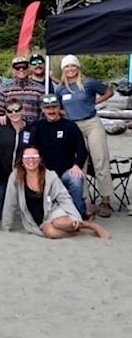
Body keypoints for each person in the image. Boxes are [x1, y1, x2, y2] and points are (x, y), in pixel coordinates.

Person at [2, 147, 109, 239]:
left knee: (60, 223)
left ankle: (90, 225)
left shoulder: (50, 176)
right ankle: (82, 232)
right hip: (36, 220)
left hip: (54, 212)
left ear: (40, 159)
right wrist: (5, 227)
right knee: (50, 232)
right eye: (27, 158)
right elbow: (10, 201)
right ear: (22, 161)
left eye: (34, 157)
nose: (31, 160)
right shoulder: (16, 176)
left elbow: (64, 197)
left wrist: (75, 216)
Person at [56, 54, 115, 218]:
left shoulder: (88, 82)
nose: (70, 69)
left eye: (73, 66)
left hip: (91, 123)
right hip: (74, 126)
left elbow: (109, 91)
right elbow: (58, 108)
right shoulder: (61, 88)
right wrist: (65, 113)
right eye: (67, 67)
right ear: (63, 69)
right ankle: (85, 201)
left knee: (100, 160)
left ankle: (106, 199)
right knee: (79, 164)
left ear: (77, 67)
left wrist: (95, 103)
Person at [27, 94, 92, 218]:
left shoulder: (70, 126)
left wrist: (77, 166)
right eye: (47, 108)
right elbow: (30, 149)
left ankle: (79, 214)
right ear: (42, 109)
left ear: (59, 108)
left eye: (54, 107)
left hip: (66, 171)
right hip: (45, 172)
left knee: (76, 180)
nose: (51, 111)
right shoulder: (36, 127)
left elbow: (82, 150)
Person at [0, 98, 29, 220]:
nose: (14, 113)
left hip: (22, 173)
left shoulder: (31, 129)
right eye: (10, 111)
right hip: (2, 173)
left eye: (17, 109)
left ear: (23, 110)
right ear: (6, 113)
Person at [0, 56, 45, 123]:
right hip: (11, 129)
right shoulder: (4, 90)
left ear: (28, 68)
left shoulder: (39, 89)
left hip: (34, 129)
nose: (21, 69)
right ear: (13, 70)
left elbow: (43, 112)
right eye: (17, 67)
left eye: (24, 67)